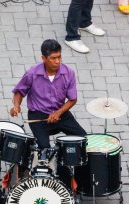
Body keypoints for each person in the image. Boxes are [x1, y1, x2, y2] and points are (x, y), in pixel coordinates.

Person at [10, 39, 87, 185]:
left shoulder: (69, 73)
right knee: (44, 148)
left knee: (82, 139)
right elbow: (19, 92)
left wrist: (58, 113)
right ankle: (41, 174)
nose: (57, 61)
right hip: (37, 115)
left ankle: (69, 171)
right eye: (53, 58)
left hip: (60, 113)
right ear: (43, 58)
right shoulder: (32, 73)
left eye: (59, 57)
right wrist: (16, 106)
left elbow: (72, 99)